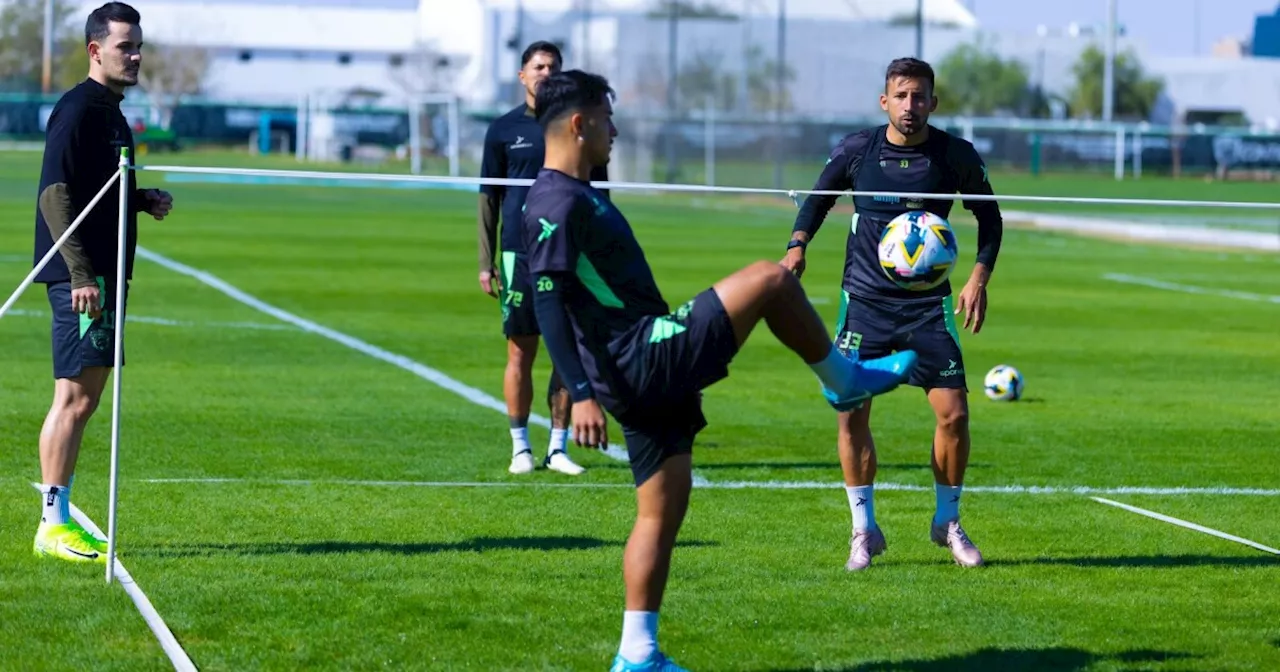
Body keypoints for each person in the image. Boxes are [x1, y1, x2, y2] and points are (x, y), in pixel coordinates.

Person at [523, 69, 918, 671]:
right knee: (770, 279)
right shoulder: (556, 198)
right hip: (638, 354)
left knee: (661, 511)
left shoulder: (580, 192)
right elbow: (547, 298)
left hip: (633, 369)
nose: (616, 130)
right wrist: (579, 393)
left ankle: (637, 656)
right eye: (606, 119)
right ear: (579, 124)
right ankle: (844, 381)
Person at [780, 57, 1004, 571]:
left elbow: (989, 217)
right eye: (901, 96)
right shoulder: (859, 150)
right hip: (865, 306)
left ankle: (947, 522)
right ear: (885, 101)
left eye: (919, 96)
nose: (910, 106)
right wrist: (797, 245)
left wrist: (977, 278)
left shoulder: (954, 155)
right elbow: (817, 199)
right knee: (852, 411)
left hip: (928, 308)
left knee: (954, 414)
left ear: (933, 101)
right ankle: (864, 530)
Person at [30, 2, 174, 563]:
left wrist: (140, 200)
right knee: (71, 398)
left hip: (106, 275)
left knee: (86, 401)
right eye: (125, 47)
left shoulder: (112, 112)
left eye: (139, 46)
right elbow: (55, 194)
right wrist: (81, 274)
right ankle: (52, 526)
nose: (135, 55)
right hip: (82, 279)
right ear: (96, 51)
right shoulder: (79, 109)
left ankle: (60, 518)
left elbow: (95, 190)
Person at [478, 40, 607, 476]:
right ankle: (520, 447)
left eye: (553, 67)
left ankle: (557, 447)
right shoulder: (502, 129)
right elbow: (488, 197)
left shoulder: (580, 125)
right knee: (521, 351)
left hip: (570, 251)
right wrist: (485, 259)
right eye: (538, 66)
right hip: (517, 250)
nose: (545, 73)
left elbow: (600, 195)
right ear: (522, 74)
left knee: (567, 346)